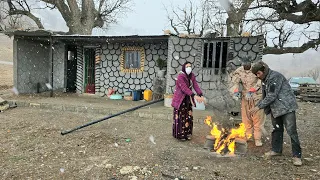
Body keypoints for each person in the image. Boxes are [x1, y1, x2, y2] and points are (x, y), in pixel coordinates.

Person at [249, 61, 302, 166]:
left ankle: (297, 156)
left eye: (258, 73)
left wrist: (258, 106)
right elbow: (265, 96)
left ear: (264, 70)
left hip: (286, 107)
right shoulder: (264, 80)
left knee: (291, 131)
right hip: (275, 108)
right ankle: (276, 150)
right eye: (256, 74)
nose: (257, 76)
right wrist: (259, 105)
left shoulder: (275, 77)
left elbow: (272, 95)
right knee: (277, 129)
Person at [230, 58, 266, 147]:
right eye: (244, 65)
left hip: (257, 97)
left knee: (258, 119)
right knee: (246, 118)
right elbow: (234, 82)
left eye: (247, 65)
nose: (246, 67)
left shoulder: (256, 68)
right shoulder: (239, 71)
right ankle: (249, 136)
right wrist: (235, 91)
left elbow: (261, 79)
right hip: (245, 97)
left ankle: (257, 139)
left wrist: (252, 90)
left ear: (250, 64)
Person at [171, 61, 204, 141]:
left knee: (188, 116)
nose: (189, 68)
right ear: (183, 68)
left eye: (190, 66)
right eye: (187, 67)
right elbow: (184, 88)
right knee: (181, 117)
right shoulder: (180, 77)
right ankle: (180, 135)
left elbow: (195, 85)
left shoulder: (191, 76)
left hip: (188, 99)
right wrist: (193, 95)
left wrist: (200, 94)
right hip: (180, 99)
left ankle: (187, 133)